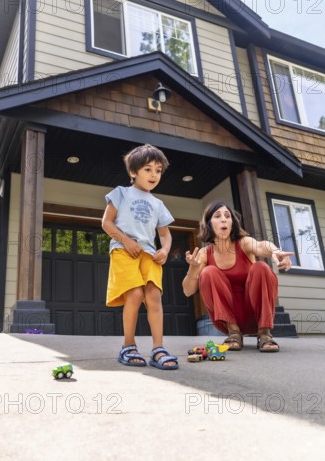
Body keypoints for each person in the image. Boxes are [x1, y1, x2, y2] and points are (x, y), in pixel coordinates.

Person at [102, 144, 178, 369]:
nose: (154, 174)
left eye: (158, 170)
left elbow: (165, 235)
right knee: (134, 293)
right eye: (148, 169)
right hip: (123, 249)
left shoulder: (158, 204)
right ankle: (128, 346)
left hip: (149, 254)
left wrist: (164, 250)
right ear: (133, 172)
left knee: (154, 295)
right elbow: (106, 222)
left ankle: (158, 349)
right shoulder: (121, 193)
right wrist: (126, 240)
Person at [182, 201, 293, 353]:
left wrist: (275, 251)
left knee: (261, 267)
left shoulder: (243, 243)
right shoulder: (204, 254)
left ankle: (265, 333)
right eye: (218, 216)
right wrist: (194, 269)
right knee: (208, 272)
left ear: (232, 223)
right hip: (227, 319)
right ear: (209, 224)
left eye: (227, 216)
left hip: (256, 314)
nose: (224, 219)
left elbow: (261, 246)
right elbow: (187, 291)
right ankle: (234, 333)